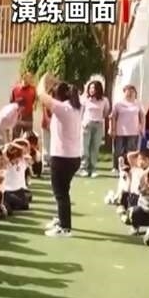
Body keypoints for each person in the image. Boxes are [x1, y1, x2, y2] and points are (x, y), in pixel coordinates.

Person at [38, 77, 83, 238]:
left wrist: (43, 79)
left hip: (62, 158)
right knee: (63, 192)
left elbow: (40, 94)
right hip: (73, 157)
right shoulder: (76, 107)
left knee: (61, 193)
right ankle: (61, 219)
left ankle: (65, 228)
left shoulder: (62, 108)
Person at [79, 80, 110, 177]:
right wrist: (81, 123)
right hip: (87, 125)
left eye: (94, 88)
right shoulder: (85, 100)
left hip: (98, 125)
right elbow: (81, 113)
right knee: (85, 147)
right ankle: (83, 168)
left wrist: (100, 118)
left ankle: (93, 168)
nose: (92, 90)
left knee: (95, 147)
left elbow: (106, 112)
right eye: (90, 88)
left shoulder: (104, 100)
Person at [109, 85, 143, 173]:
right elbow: (113, 117)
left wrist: (142, 127)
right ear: (124, 92)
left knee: (131, 151)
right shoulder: (118, 104)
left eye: (132, 91)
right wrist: (112, 129)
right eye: (128, 91)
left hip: (133, 132)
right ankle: (116, 167)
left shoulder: (138, 104)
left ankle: (129, 166)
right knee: (118, 150)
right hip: (120, 131)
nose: (130, 93)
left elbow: (142, 116)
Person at [10, 71, 36, 138]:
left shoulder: (33, 90)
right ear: (23, 78)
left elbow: (33, 102)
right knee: (15, 138)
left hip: (28, 118)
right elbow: (11, 103)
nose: (31, 79)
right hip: (17, 118)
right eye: (29, 77)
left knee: (28, 138)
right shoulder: (15, 89)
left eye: (31, 78)